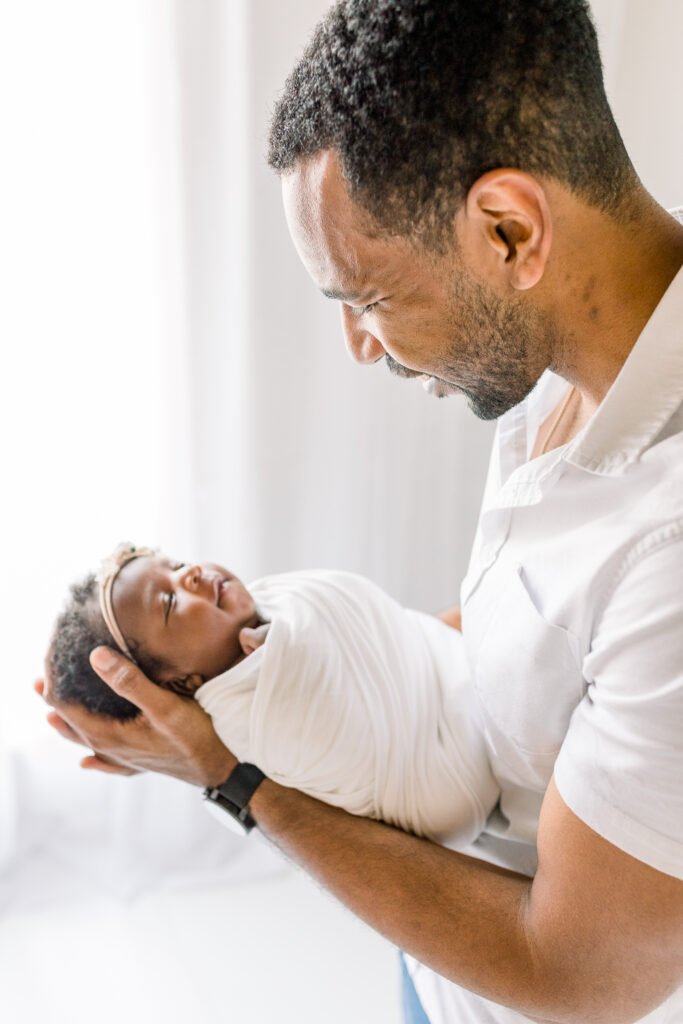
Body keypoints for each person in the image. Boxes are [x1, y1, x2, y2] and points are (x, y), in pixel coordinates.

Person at [37, 2, 683, 1022]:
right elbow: (524, 641)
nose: (360, 345)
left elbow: (574, 973)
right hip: (432, 957)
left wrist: (233, 780)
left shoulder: (667, 546)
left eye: (367, 297)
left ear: (508, 231)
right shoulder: (548, 374)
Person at [48, 543, 497, 844]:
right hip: (446, 780)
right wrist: (286, 653)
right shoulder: (244, 722)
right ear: (181, 684)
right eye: (168, 602)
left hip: (446, 674)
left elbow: (382, 639)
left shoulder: (265, 610)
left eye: (177, 566)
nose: (193, 575)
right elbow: (329, 715)